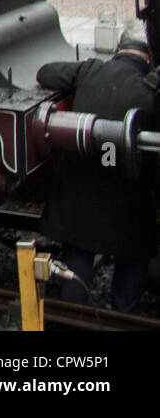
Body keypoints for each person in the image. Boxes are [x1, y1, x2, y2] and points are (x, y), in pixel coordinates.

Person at [36, 35, 157, 312]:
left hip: (80, 197)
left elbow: (45, 73)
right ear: (147, 62)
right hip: (128, 203)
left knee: (80, 248)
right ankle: (125, 311)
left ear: (117, 53)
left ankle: (72, 311)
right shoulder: (151, 90)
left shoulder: (91, 69)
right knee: (135, 252)